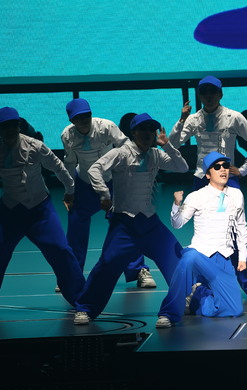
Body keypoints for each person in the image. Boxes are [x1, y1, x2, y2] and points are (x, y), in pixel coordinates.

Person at [73, 113, 189, 324]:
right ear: (133, 133)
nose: (148, 133)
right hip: (124, 224)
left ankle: (188, 298)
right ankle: (85, 308)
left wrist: (168, 146)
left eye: (151, 130)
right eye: (142, 129)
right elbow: (94, 169)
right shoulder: (120, 153)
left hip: (150, 223)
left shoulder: (156, 154)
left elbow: (182, 167)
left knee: (177, 258)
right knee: (106, 265)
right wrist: (104, 194)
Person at [169, 76, 247, 301]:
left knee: (235, 230)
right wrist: (181, 120)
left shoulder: (234, 117)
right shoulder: (193, 119)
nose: (209, 96)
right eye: (204, 92)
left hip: (226, 182)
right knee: (204, 235)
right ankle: (206, 285)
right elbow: (173, 144)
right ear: (200, 96)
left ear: (220, 94)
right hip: (201, 182)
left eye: (213, 92)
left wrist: (243, 169)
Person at [0, 107, 85, 313]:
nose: (11, 129)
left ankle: (81, 299)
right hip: (10, 212)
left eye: (14, 125)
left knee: (61, 250)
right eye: (5, 126)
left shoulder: (35, 146)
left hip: (40, 209)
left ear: (19, 126)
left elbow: (58, 167)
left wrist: (70, 190)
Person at [61, 99, 156, 289]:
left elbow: (127, 146)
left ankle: (138, 270)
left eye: (87, 115)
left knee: (129, 222)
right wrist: (69, 191)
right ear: (72, 120)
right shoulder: (67, 135)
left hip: (113, 181)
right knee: (76, 226)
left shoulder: (106, 127)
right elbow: (70, 163)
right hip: (86, 183)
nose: (84, 119)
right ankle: (72, 274)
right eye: (79, 117)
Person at [156, 151, 247, 327]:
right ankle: (168, 313)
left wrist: (243, 256)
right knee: (188, 258)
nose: (223, 170)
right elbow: (178, 224)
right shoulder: (197, 196)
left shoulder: (237, 194)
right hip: (200, 255)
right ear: (208, 174)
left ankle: (196, 297)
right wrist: (176, 205)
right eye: (217, 167)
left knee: (233, 310)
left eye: (225, 166)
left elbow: (241, 227)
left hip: (223, 259)